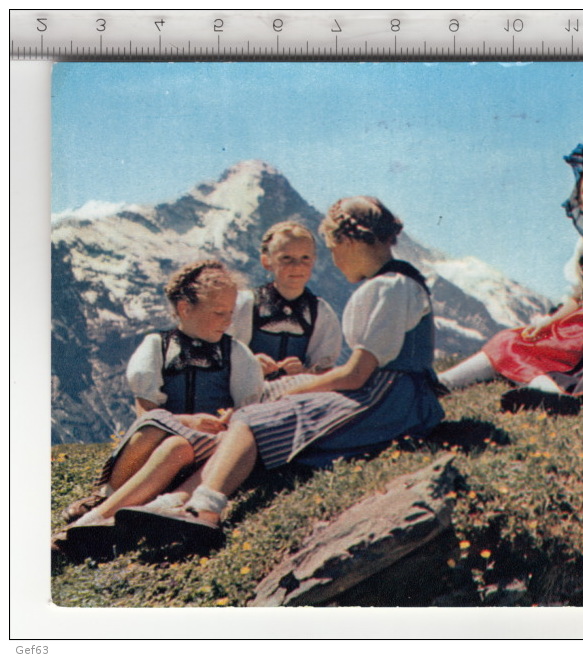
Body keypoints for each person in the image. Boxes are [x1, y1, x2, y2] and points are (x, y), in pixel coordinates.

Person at [113, 196, 445, 547]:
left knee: (253, 419)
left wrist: (292, 389)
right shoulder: (399, 282)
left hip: (387, 401)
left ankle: (205, 511)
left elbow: (356, 374)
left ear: (348, 242)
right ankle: (176, 499)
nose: (334, 260)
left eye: (331, 249)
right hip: (398, 398)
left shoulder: (388, 287)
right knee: (257, 415)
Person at [439, 145, 583, 414]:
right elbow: (577, 296)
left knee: (523, 347)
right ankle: (442, 382)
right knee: (511, 338)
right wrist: (548, 323)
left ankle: (551, 392)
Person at [56, 260, 263, 547]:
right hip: (158, 439)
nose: (227, 321)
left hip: (205, 447)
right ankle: (108, 497)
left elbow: (248, 409)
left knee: (178, 447)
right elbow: (147, 414)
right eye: (218, 313)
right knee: (157, 431)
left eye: (230, 313)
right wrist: (187, 422)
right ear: (184, 308)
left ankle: (104, 519)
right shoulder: (159, 346)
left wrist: (229, 417)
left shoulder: (236, 353)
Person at [230, 219, 342, 400]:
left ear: (314, 260)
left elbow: (325, 369)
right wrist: (250, 365)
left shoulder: (320, 312)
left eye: (305, 258)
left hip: (296, 396)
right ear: (267, 261)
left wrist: (303, 372)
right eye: (286, 258)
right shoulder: (247, 303)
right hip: (249, 395)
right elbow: (224, 354)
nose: (297, 266)